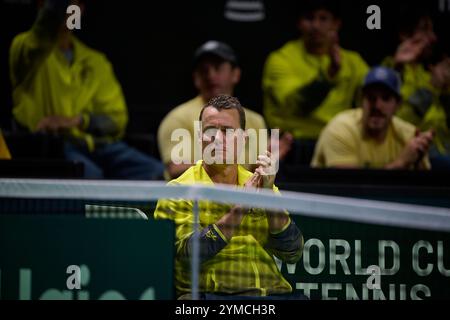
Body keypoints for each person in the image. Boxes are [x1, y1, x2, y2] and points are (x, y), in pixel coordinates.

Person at [154, 94, 304, 299]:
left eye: (227, 131)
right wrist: (241, 208)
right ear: (199, 138)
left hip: (271, 296)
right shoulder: (178, 191)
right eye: (210, 131)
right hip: (211, 297)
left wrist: (268, 198)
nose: (218, 139)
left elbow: (292, 253)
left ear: (244, 139)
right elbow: (186, 256)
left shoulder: (263, 184)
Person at [9, 0, 164, 179]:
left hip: (101, 146)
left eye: (75, 5)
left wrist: (79, 121)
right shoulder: (24, 50)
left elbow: (117, 119)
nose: (69, 11)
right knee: (90, 176)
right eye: (64, 4)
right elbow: (42, 33)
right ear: (41, 6)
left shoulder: (96, 61)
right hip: (55, 147)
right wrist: (53, 9)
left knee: (157, 173)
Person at [157, 40, 293, 180]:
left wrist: (270, 161)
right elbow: (176, 169)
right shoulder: (177, 118)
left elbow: (256, 172)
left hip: (241, 197)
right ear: (196, 78)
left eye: (218, 68)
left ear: (236, 74)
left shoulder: (255, 120)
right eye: (204, 70)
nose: (211, 75)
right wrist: (225, 167)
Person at [262, 0, 368, 162]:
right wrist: (328, 76)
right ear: (299, 23)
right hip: (290, 146)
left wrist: (397, 68)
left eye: (323, 18)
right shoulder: (281, 59)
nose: (316, 25)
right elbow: (297, 104)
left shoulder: (354, 62)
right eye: (310, 18)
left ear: (336, 24)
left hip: (337, 143)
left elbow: (378, 101)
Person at [311, 66, 433, 170]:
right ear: (361, 100)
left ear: (398, 104)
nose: (377, 106)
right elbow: (349, 189)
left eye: (385, 98)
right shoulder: (340, 129)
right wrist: (400, 163)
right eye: (371, 98)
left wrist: (418, 163)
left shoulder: (409, 135)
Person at [382, 5, 450, 169]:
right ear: (405, 34)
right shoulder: (387, 72)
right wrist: (432, 89)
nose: (433, 38)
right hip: (402, 153)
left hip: (440, 154)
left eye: (432, 30)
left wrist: (445, 94)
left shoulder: (435, 72)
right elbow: (393, 123)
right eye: (425, 30)